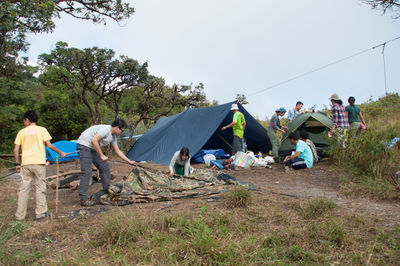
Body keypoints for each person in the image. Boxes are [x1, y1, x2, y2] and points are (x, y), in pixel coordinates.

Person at [13, 110, 67, 221]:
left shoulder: (22, 132)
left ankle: (19, 216)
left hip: (26, 164)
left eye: (24, 121)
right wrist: (61, 152)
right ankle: (40, 214)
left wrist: (17, 164)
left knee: (23, 189)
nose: (24, 123)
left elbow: (15, 149)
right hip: (39, 163)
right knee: (40, 188)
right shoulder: (43, 130)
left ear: (27, 120)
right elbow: (49, 145)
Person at [76, 118, 137, 207]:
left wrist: (129, 161)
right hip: (84, 145)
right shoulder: (105, 129)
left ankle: (106, 191)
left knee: (105, 168)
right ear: (116, 127)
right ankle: (84, 199)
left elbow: (117, 150)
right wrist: (101, 155)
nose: (121, 132)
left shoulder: (113, 136)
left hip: (93, 148)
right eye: (122, 130)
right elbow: (94, 140)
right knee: (87, 171)